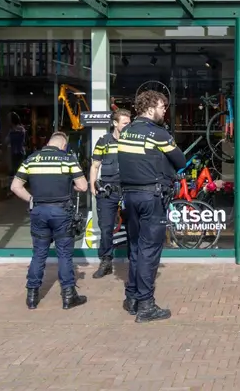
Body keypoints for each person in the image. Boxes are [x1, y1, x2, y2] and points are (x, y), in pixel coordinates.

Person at [117, 90, 185, 323]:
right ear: (149, 108)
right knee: (149, 250)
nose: (164, 110)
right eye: (162, 106)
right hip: (151, 198)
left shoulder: (126, 132)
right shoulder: (158, 134)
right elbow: (181, 161)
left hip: (129, 197)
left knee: (135, 247)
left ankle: (133, 298)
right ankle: (146, 305)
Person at [10, 131, 89, 310]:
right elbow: (83, 186)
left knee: (39, 253)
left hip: (38, 211)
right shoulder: (67, 159)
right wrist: (71, 187)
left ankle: (32, 296)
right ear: (63, 145)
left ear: (48, 142)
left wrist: (32, 199)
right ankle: (68, 296)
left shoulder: (31, 159)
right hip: (61, 212)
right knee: (64, 255)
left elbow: (15, 186)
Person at [89, 109, 131, 279]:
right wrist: (92, 185)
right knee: (106, 228)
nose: (128, 126)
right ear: (115, 123)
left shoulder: (133, 141)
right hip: (108, 191)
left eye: (129, 123)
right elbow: (95, 165)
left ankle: (133, 261)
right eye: (125, 123)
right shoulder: (104, 141)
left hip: (129, 190)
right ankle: (106, 261)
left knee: (133, 227)